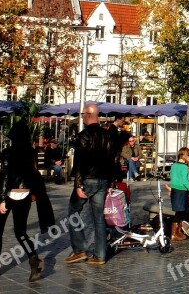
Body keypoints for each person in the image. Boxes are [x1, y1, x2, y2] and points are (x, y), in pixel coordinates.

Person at [0, 121, 46, 282]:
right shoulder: (31, 152)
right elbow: (34, 174)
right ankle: (33, 258)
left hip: (10, 193)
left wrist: (3, 199)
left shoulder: (7, 152)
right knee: (20, 232)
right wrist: (33, 193)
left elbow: (5, 175)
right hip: (25, 194)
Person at [66, 103, 116, 266]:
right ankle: (100, 254)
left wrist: (78, 185)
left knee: (73, 210)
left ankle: (80, 249)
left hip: (88, 180)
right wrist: (110, 182)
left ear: (87, 115)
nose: (82, 117)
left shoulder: (84, 136)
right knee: (98, 217)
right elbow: (112, 161)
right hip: (103, 180)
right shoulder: (107, 135)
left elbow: (79, 163)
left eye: (82, 114)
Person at [169, 147, 189, 241]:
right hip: (181, 190)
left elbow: (171, 177)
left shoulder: (174, 165)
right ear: (184, 156)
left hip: (174, 190)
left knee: (179, 211)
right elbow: (185, 181)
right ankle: (174, 232)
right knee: (180, 212)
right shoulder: (184, 167)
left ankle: (178, 231)